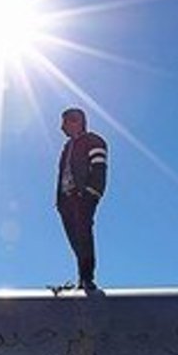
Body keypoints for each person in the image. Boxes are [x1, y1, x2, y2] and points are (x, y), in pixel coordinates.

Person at [55, 107, 108, 291]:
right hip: (66, 201)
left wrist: (91, 193)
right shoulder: (67, 148)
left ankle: (87, 279)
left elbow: (99, 169)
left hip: (83, 197)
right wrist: (60, 201)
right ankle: (81, 279)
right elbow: (62, 174)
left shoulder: (94, 141)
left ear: (76, 121)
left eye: (65, 122)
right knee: (75, 239)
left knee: (84, 234)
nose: (61, 127)